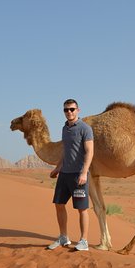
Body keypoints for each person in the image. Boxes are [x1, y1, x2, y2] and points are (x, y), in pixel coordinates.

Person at [47, 99, 94, 251]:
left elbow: (89, 152)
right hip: (64, 174)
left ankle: (84, 241)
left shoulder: (85, 129)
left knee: (82, 208)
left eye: (72, 109)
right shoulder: (64, 129)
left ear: (78, 110)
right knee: (59, 204)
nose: (69, 112)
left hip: (78, 175)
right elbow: (65, 152)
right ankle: (63, 237)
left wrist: (84, 172)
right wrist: (57, 168)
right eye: (66, 110)